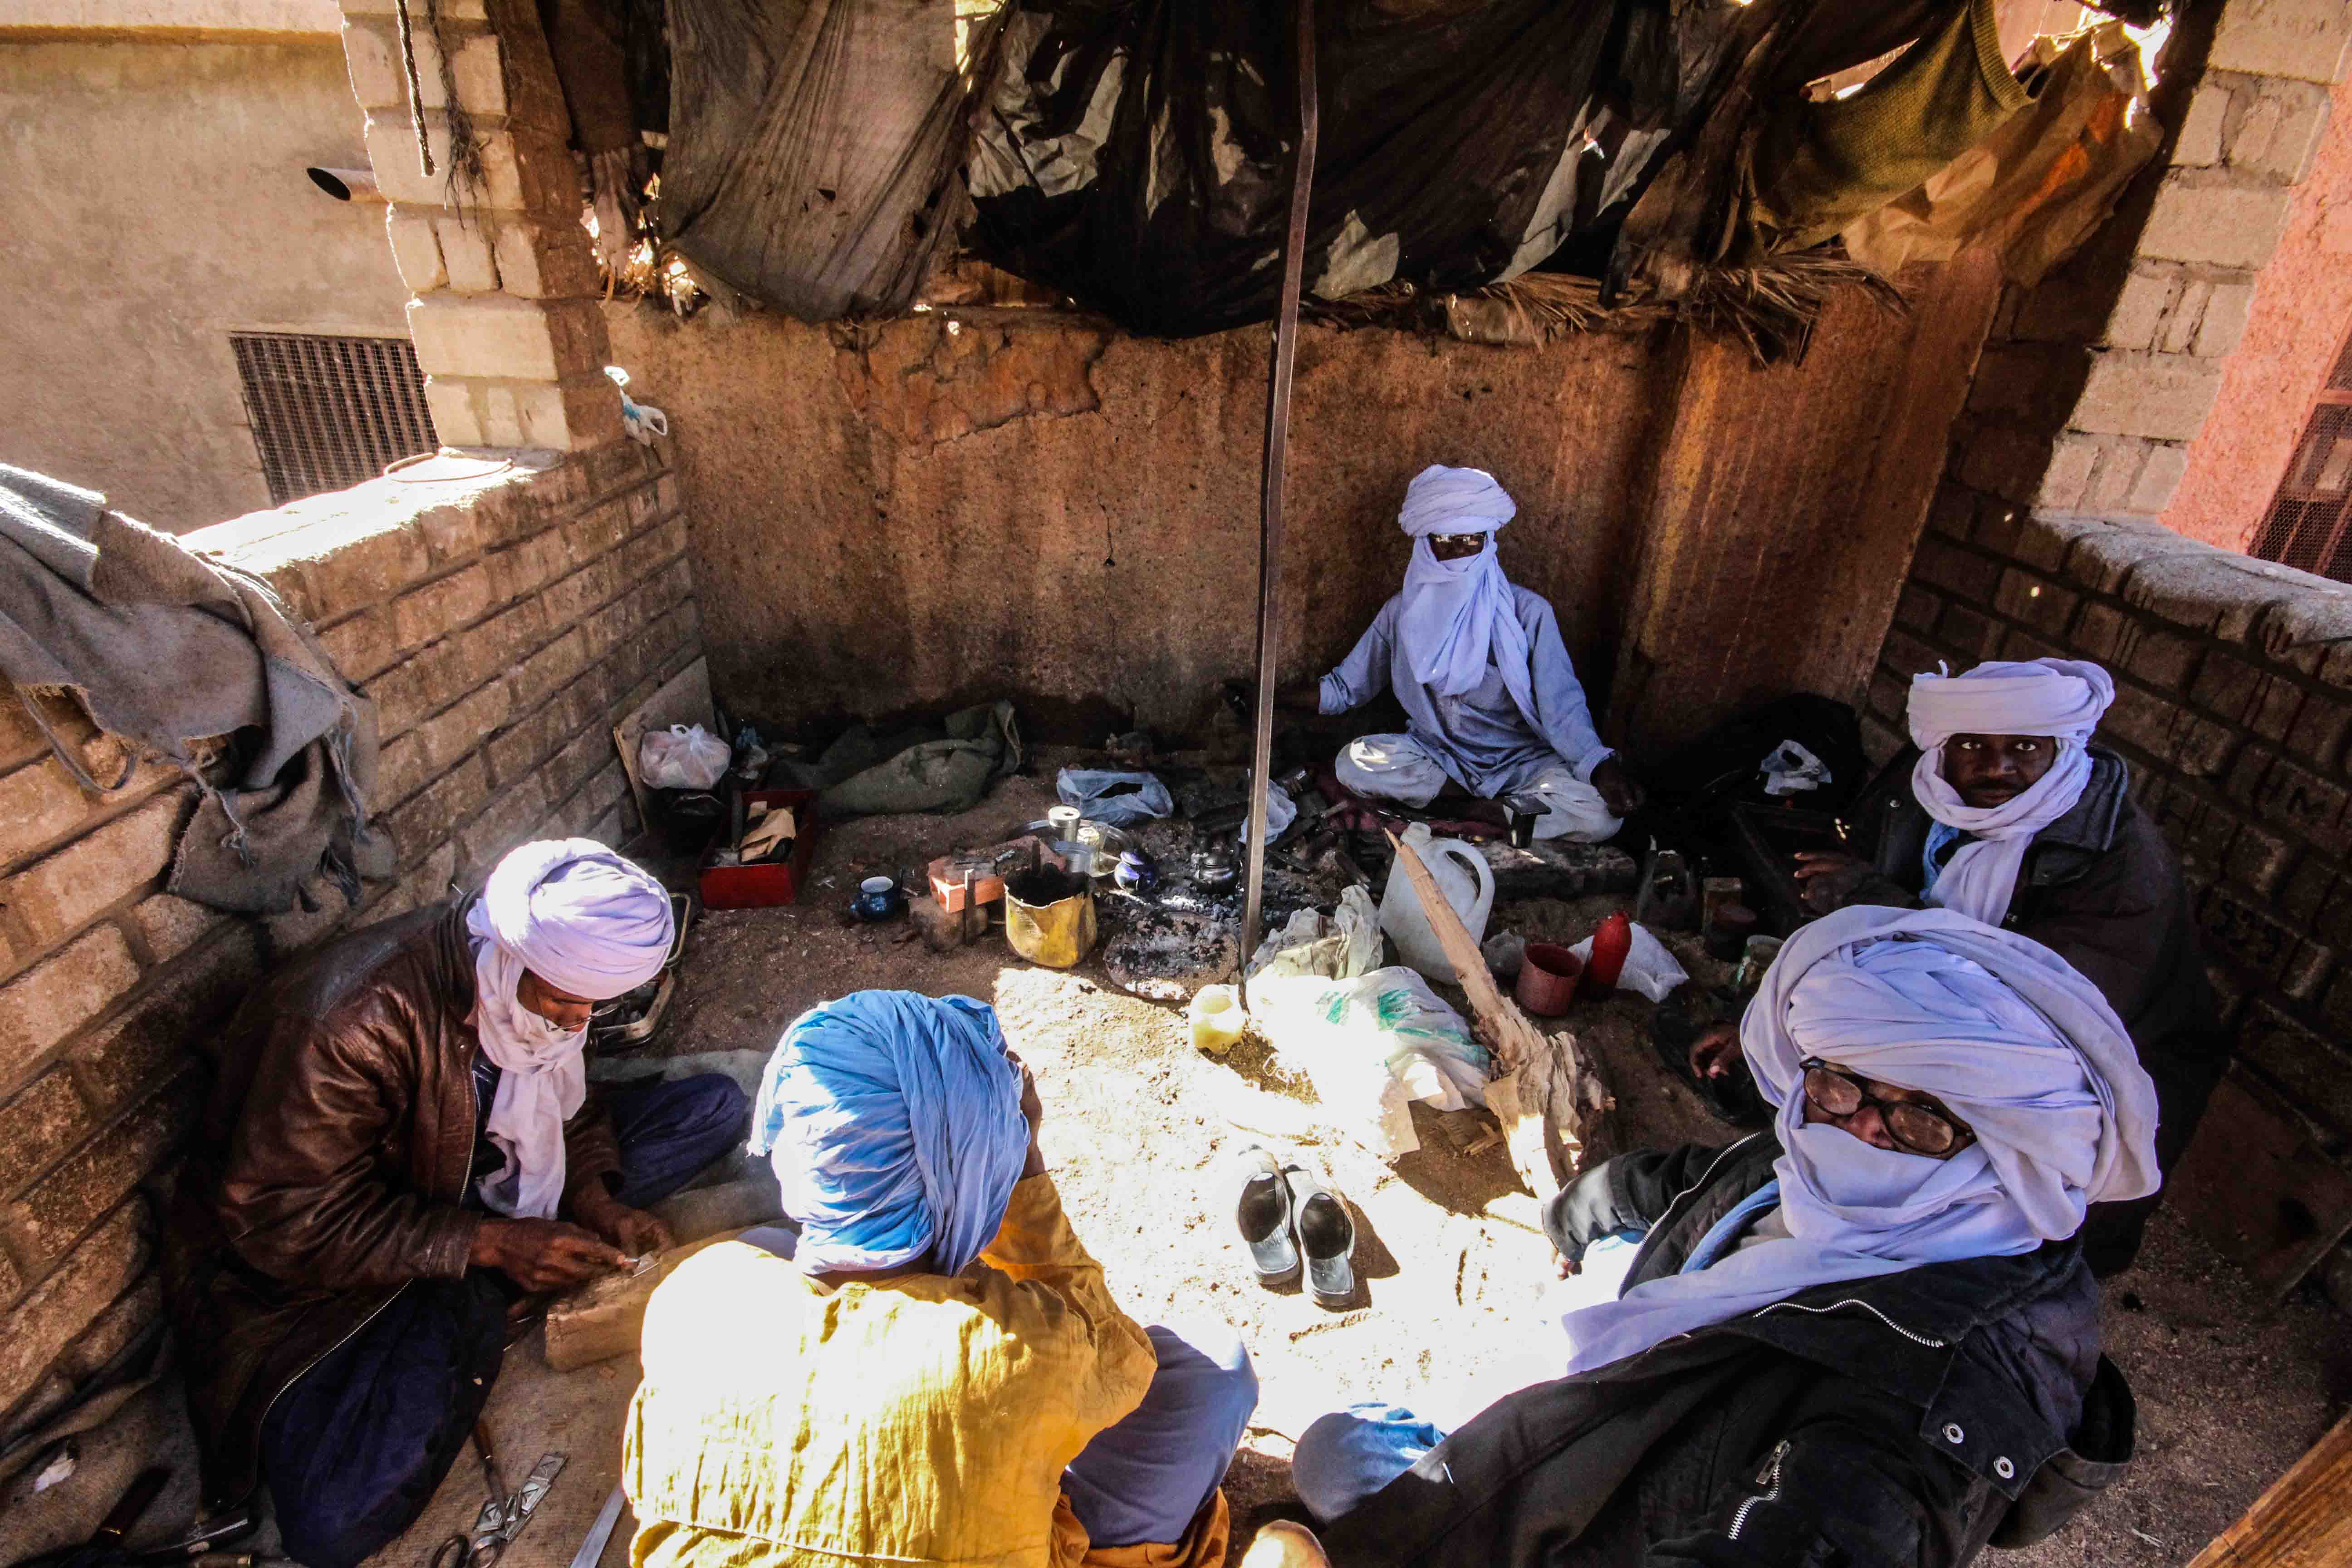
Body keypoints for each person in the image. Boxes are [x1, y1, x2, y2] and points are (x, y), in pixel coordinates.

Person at [1269, 904, 2155, 1568]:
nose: (1868, 1132)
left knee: (1351, 1482)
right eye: (1846, 1086)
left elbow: (1851, 1521)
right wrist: (1572, 1213)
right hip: (1620, 1411)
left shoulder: (1942, 1394)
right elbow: (1690, 1182)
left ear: (2004, 1145)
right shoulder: (1807, 1154)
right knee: (1334, 1452)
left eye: (1927, 1118)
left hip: (1611, 1527)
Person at [162, 840, 748, 1568]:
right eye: (567, 1002)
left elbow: (570, 1101)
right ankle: (483, 1294)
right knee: (333, 1527)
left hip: (479, 1169)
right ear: (512, 955)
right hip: (331, 1262)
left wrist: (592, 1193)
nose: (578, 1023)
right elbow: (281, 1221)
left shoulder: (540, 986)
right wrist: (489, 1244)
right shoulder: (346, 1028)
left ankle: (497, 1278)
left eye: (594, 1007)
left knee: (715, 1108)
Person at [624, 990, 1258, 1568]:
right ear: (980, 1159)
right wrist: (1026, 1169)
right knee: (1214, 1373)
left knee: (765, 1247)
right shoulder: (1021, 1350)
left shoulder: (694, 1297)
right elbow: (1121, 1363)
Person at [1690, 657, 2223, 1274]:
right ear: (1943, 747)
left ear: (2064, 746)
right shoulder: (1924, 794)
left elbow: (2025, 1019)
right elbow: (1844, 945)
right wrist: (1757, 1017)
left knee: (2012, 1257)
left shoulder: (2121, 866)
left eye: (2025, 746)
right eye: (1973, 744)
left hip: (2082, 1071)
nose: (1997, 766)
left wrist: (1885, 906)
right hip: (1942, 1036)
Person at [1277, 465, 1642, 841]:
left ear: (1488, 544)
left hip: (1523, 764)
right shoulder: (1401, 615)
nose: (1459, 556)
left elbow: (1562, 708)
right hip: (1438, 760)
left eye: (1472, 543)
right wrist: (1269, 698)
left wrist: (1600, 768)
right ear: (1425, 546)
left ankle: (1469, 811)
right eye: (1447, 542)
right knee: (1353, 763)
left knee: (1601, 816)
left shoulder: (1529, 615)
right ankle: (1492, 810)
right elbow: (1345, 689)